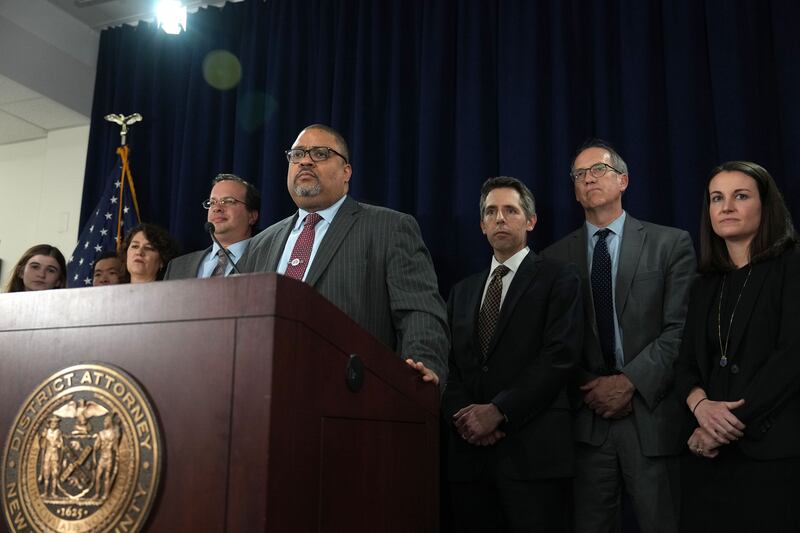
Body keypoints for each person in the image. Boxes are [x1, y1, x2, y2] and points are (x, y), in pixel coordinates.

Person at [543, 139, 696, 533]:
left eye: (599, 170)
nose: (588, 179)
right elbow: (552, 342)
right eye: (579, 174)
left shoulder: (670, 244)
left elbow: (679, 328)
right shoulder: (554, 259)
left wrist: (629, 383)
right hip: (588, 421)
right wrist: (591, 387)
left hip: (652, 417)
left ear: (623, 180)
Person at [243, 124, 448, 384]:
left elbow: (419, 313)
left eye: (320, 153)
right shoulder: (259, 244)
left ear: (346, 172)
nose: (305, 161)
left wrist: (422, 368)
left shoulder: (389, 228)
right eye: (297, 155)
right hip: (264, 392)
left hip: (351, 396)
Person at [442, 177, 582, 532]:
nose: (500, 218)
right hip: (469, 457)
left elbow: (559, 356)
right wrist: (468, 421)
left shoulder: (560, 278)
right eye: (491, 212)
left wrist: (499, 411)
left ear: (530, 221)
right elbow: (449, 364)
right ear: (482, 225)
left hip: (533, 458)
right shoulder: (462, 291)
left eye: (510, 210)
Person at [675, 161, 800, 532]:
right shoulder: (705, 284)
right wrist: (700, 408)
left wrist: (722, 424)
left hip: (773, 455)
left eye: (740, 196)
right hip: (708, 459)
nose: (726, 206)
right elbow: (685, 366)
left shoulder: (791, 267)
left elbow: (791, 358)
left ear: (766, 205)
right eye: (717, 198)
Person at [164, 173, 260, 279]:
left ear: (252, 216)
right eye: (212, 202)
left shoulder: (267, 259)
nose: (217, 208)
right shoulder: (177, 267)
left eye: (228, 201)